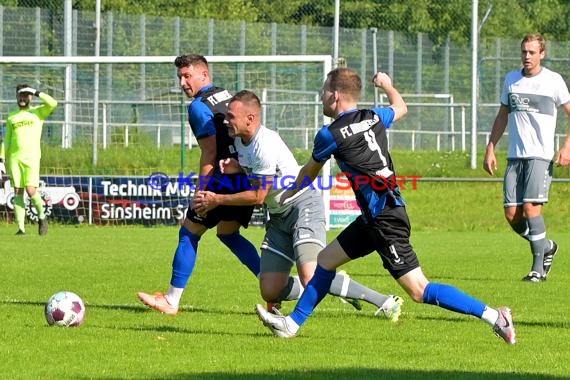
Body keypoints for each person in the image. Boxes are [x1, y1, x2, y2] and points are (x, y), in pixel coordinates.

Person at [255, 68, 516, 345]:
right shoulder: (374, 116)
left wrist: (289, 192)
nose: (321, 98)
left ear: (335, 94)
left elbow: (309, 173)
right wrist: (387, 85)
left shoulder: (329, 134)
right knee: (325, 260)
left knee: (419, 290)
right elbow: (401, 107)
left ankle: (495, 316)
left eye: (323, 92)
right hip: (379, 214)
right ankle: (292, 324)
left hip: (384, 219)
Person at [192, 90, 404, 319]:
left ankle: (384, 301)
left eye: (230, 116)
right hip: (278, 215)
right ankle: (331, 283)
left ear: (250, 119)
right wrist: (238, 167)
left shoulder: (264, 143)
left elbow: (258, 196)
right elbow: (259, 177)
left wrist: (217, 200)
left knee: (310, 274)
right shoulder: (240, 140)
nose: (225, 120)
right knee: (271, 290)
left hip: (303, 205)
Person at [137, 54, 261, 314]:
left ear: (204, 74)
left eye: (187, 76)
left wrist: (200, 191)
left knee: (188, 232)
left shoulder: (198, 106)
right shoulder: (227, 95)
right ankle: (274, 285)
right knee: (228, 234)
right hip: (245, 175)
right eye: (180, 77)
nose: (182, 82)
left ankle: (171, 300)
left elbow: (209, 152)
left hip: (222, 179)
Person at [484, 33, 570, 282]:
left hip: (540, 156)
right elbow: (502, 115)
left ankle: (538, 270)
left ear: (542, 53)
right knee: (512, 215)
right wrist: (490, 147)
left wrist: (567, 146)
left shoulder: (553, 80)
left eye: (532, 52)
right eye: (524, 51)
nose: (527, 56)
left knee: (532, 209)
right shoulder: (511, 79)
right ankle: (546, 246)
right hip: (515, 157)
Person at [3, 84, 57, 236]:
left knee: (31, 190)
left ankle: (42, 217)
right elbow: (6, 140)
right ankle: (21, 228)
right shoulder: (12, 117)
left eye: (26, 95)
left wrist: (35, 91)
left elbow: (53, 103)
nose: (22, 98)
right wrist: (1, 158)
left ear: (30, 97)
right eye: (20, 95)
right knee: (18, 191)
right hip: (14, 158)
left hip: (32, 158)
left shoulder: (38, 112)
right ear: (16, 97)